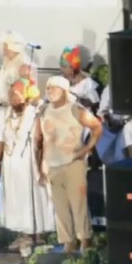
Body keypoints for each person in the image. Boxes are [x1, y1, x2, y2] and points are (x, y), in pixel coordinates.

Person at [35, 76, 103, 254]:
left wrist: (87, 149)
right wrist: (39, 165)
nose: (50, 91)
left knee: (78, 203)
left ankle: (85, 239)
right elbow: (38, 139)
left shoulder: (75, 109)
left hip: (73, 162)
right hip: (52, 164)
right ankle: (67, 241)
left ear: (64, 91)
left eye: (54, 88)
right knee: (60, 206)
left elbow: (97, 127)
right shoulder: (43, 111)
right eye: (48, 88)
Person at [0, 79, 55, 252]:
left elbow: (41, 141)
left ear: (26, 97)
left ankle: (38, 235)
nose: (11, 97)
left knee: (32, 198)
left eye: (15, 94)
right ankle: (23, 235)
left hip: (30, 164)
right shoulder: (5, 114)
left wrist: (42, 165)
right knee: (16, 200)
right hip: (11, 165)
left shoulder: (35, 114)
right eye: (10, 93)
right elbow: (1, 139)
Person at [0, 32, 34, 106]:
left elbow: (28, 92)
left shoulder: (24, 65)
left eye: (6, 46)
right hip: (1, 105)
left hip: (16, 108)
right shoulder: (6, 62)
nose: (3, 49)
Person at [60, 46, 100, 110]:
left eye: (64, 67)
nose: (61, 69)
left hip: (80, 116)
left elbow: (94, 103)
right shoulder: (58, 81)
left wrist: (76, 99)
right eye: (61, 66)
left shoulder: (87, 83)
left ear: (72, 68)